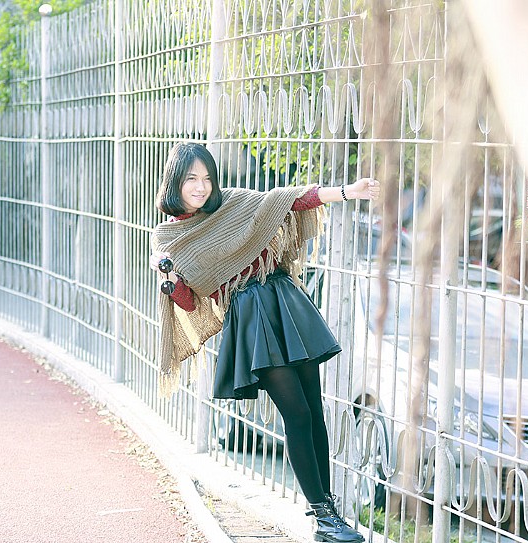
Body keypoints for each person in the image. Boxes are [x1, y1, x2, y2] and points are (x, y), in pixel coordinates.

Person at [150, 142, 380, 543]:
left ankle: (327, 513)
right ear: (174, 182)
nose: (201, 187)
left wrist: (347, 192)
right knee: (296, 412)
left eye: (207, 178)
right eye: (191, 179)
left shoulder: (233, 203)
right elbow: (191, 300)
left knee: (313, 410)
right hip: (251, 317)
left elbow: (288, 200)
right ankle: (324, 517)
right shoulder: (168, 237)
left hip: (284, 301)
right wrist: (170, 283)